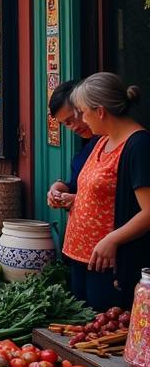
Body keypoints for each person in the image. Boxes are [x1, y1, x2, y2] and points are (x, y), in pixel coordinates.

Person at [61, 73, 150, 309]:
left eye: (83, 112)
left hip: (109, 261)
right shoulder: (102, 140)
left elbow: (148, 211)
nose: (82, 119)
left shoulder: (138, 145)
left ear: (100, 111)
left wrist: (112, 239)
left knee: (104, 333)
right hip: (82, 255)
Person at [47, 79, 96, 211]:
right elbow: (76, 188)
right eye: (67, 124)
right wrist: (59, 188)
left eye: (72, 118)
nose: (73, 127)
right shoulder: (86, 151)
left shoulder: (121, 145)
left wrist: (77, 199)